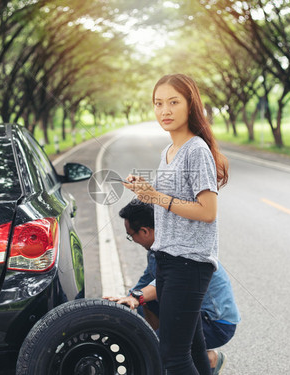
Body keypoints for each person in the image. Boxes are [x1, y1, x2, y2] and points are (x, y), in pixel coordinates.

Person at [120, 74, 229, 375]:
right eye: (158, 104)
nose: (164, 110)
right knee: (192, 352)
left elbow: (208, 211)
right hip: (168, 259)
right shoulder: (167, 152)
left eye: (173, 102)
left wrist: (156, 195)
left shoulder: (196, 150)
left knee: (173, 356)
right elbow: (167, 202)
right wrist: (146, 192)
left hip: (189, 263)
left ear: (190, 105)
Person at [104, 200, 240, 375]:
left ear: (145, 231)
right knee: (141, 313)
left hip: (215, 322)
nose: (132, 240)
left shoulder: (177, 248)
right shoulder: (157, 249)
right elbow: (146, 282)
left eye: (131, 235)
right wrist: (122, 304)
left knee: (158, 351)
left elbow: (166, 283)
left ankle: (206, 359)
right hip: (190, 310)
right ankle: (200, 358)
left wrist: (137, 296)